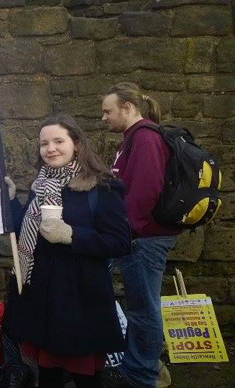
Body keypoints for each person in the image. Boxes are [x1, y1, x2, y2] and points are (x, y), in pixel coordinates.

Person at [3, 114, 131, 388]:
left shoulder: (101, 187)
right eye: (44, 143)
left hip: (79, 301)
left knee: (86, 377)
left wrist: (72, 235)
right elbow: (24, 231)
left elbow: (120, 241)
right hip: (42, 299)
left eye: (58, 141)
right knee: (47, 375)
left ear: (76, 144)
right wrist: (13, 200)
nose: (50, 148)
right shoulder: (41, 187)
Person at [101, 82, 181, 388]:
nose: (104, 118)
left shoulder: (145, 139)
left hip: (144, 237)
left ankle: (144, 374)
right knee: (139, 305)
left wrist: (124, 230)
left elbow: (145, 192)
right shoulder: (131, 139)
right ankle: (142, 366)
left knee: (144, 307)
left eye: (108, 111)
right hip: (137, 235)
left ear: (126, 108)